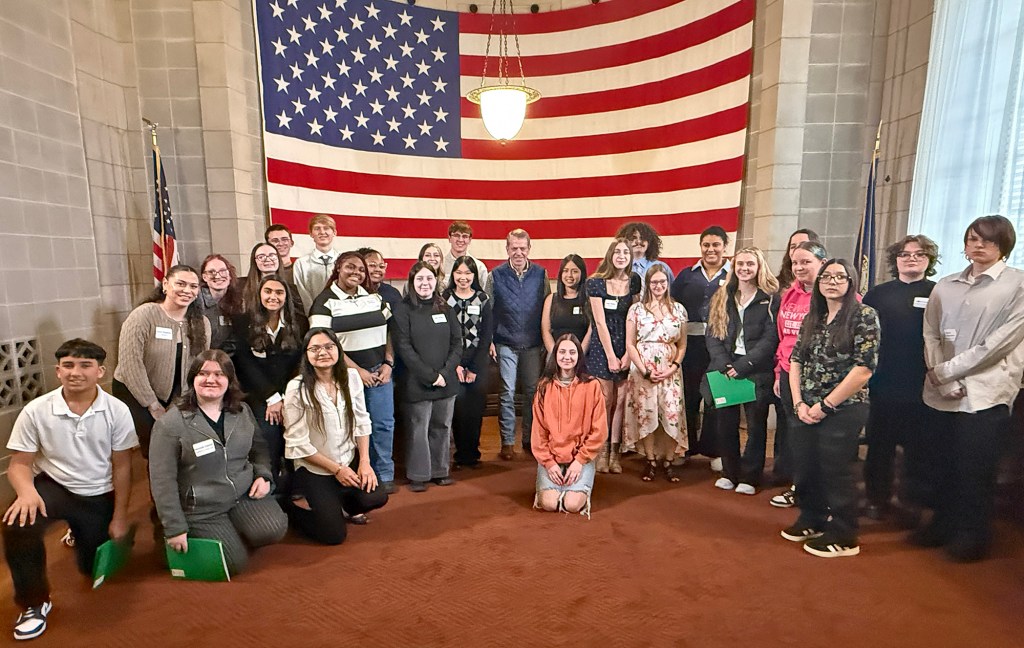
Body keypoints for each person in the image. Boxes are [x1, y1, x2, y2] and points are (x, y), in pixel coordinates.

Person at [2, 339, 137, 641]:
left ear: (100, 371)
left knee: (93, 570)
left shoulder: (117, 411)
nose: (76, 372)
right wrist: (26, 492)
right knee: (17, 524)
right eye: (68, 365)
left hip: (98, 491)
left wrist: (119, 518)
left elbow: (122, 467)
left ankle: (81, 531)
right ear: (58, 371)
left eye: (85, 365)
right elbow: (19, 464)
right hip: (55, 486)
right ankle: (34, 603)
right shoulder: (36, 410)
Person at [917, 215, 1024, 562]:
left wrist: (948, 372)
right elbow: (931, 333)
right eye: (972, 239)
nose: (978, 246)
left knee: (974, 469)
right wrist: (941, 375)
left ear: (1003, 245)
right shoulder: (945, 285)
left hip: (985, 392)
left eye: (988, 240)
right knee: (941, 463)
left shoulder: (1018, 285)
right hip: (941, 391)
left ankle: (973, 535)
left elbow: (998, 344)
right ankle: (941, 524)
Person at [149, 350, 288, 575]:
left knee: (273, 529)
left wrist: (263, 475)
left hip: (241, 495)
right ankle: (166, 534)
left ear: (229, 380)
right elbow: (162, 481)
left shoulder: (241, 411)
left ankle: (230, 530)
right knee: (233, 564)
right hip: (201, 508)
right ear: (192, 379)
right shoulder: (170, 424)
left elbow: (259, 449)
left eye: (219, 374)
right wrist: (175, 527)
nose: (211, 379)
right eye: (203, 373)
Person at [784, 259, 879, 558]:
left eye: (840, 277)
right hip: (806, 405)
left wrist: (825, 405)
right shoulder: (814, 316)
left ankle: (844, 534)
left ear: (851, 282)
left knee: (836, 470)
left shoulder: (864, 315)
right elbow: (795, 360)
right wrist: (798, 402)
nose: (832, 282)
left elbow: (864, 369)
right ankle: (812, 517)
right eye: (827, 277)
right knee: (806, 465)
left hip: (844, 407)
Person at [283, 328, 388, 544]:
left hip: (347, 459)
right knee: (333, 535)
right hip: (315, 467)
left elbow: (362, 421)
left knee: (376, 496)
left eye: (329, 347)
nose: (322, 352)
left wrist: (365, 462)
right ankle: (289, 511)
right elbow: (297, 444)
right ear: (306, 355)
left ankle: (342, 506)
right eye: (315, 348)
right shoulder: (297, 388)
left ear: (338, 350)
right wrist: (337, 470)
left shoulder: (351, 377)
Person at [861, 235, 939, 522]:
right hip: (882, 382)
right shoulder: (877, 295)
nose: (911, 258)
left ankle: (912, 501)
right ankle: (876, 498)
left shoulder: (939, 293)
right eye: (905, 254)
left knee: (920, 449)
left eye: (919, 254)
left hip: (923, 384)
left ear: (929, 260)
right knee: (879, 445)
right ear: (896, 260)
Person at [309, 251, 397, 493]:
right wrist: (357, 371)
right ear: (338, 268)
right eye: (350, 267)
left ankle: (383, 474)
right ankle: (350, 476)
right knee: (347, 428)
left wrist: (388, 363)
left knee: (383, 424)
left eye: (360, 269)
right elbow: (324, 343)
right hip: (343, 375)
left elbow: (390, 331)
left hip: (379, 373)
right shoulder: (324, 302)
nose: (356, 273)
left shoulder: (374, 298)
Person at [113, 264, 211, 456]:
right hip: (135, 391)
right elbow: (130, 364)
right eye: (180, 284)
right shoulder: (144, 315)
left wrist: (181, 401)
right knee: (156, 447)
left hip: (178, 394)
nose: (187, 290)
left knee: (181, 445)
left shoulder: (202, 322)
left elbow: (199, 366)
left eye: (193, 286)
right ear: (165, 284)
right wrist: (152, 404)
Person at [704, 247, 780, 495]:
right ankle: (729, 472)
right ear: (734, 267)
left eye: (750, 264)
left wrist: (744, 365)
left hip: (754, 369)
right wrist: (725, 364)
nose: (745, 268)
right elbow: (712, 334)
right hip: (725, 368)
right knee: (725, 425)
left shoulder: (771, 298)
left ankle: (750, 476)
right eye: (740, 264)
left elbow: (771, 338)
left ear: (759, 267)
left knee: (756, 427)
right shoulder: (722, 295)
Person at [230, 275, 308, 487]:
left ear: (286, 296)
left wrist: (286, 396)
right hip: (259, 393)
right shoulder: (243, 321)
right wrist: (272, 397)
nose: (273, 296)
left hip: (291, 391)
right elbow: (244, 362)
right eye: (268, 291)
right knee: (268, 435)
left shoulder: (299, 322)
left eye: (279, 292)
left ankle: (295, 486)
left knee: (294, 435)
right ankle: (271, 486)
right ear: (259, 294)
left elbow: (300, 361)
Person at [769, 239, 828, 508]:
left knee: (818, 436)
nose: (799, 267)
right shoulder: (789, 295)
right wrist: (777, 372)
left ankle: (820, 493)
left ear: (822, 263)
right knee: (796, 433)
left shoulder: (835, 296)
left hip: (818, 377)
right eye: (795, 262)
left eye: (806, 262)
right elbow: (783, 337)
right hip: (787, 372)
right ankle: (799, 486)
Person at [394, 263, 462, 491]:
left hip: (446, 380)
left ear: (436, 281)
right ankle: (419, 475)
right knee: (418, 429)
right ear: (412, 282)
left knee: (442, 426)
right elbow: (404, 347)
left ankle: (440, 471)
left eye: (429, 278)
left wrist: (444, 373)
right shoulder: (403, 310)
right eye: (420, 279)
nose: (425, 283)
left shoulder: (445, 308)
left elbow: (457, 343)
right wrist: (430, 376)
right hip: (417, 381)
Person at [485, 229, 550, 460]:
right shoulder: (495, 276)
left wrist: (546, 341)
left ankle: (529, 439)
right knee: (507, 392)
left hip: (533, 343)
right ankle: (507, 442)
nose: (518, 252)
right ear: (507, 249)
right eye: (514, 248)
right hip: (505, 342)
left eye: (523, 248)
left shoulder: (541, 275)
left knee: (532, 392)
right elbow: (488, 311)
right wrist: (490, 340)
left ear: (529, 249)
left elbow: (547, 309)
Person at [670, 225, 731, 466]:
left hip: (721, 346)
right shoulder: (687, 275)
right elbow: (672, 304)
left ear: (725, 247)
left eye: (716, 245)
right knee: (688, 396)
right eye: (706, 245)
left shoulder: (734, 274)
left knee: (716, 397)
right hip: (691, 345)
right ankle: (685, 447)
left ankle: (714, 451)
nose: (710, 249)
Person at [531, 334, 608, 517]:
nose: (567, 357)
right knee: (549, 504)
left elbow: (599, 430)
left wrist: (579, 461)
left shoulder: (592, 386)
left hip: (580, 458)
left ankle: (576, 487)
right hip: (552, 457)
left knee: (572, 505)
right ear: (555, 355)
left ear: (579, 356)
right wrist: (549, 463)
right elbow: (538, 431)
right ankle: (554, 488)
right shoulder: (544, 387)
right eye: (562, 352)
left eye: (572, 352)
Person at [624, 265, 687, 482]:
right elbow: (630, 344)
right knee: (647, 414)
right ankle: (650, 460)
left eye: (662, 282)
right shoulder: (636, 310)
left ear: (668, 283)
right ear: (647, 284)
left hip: (670, 371)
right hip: (643, 371)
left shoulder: (678, 309)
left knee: (672, 414)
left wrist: (673, 366)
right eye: (654, 282)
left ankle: (668, 460)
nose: (658, 286)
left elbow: (682, 344)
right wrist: (644, 370)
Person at [586, 238, 641, 473]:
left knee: (620, 401)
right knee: (605, 400)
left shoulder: (634, 281)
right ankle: (601, 450)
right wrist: (610, 355)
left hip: (626, 343)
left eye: (625, 252)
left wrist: (629, 353)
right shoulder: (596, 283)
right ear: (610, 255)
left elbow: (636, 317)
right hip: (603, 345)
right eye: (617, 252)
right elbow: (599, 322)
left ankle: (614, 454)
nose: (621, 256)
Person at [444, 256, 494, 469]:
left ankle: (472, 454)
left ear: (474, 276)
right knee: (458, 406)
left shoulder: (482, 299)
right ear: (453, 274)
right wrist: (454, 364)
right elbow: (443, 333)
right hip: (452, 359)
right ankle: (460, 454)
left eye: (467, 273)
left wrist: (473, 368)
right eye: (459, 273)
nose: (463, 277)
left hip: (477, 359)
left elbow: (486, 335)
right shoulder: (445, 298)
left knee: (474, 408)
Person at [541, 254, 592, 354]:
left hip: (583, 355)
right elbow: (546, 331)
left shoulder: (589, 300)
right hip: (555, 356)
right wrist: (556, 355)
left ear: (582, 274)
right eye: (565, 271)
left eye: (574, 271)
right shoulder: (550, 299)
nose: (569, 275)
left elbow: (590, 331)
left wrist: (578, 355)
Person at [293, 214, 340, 313]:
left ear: (334, 232)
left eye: (326, 228)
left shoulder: (344, 261)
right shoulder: (301, 263)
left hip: (341, 314)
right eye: (317, 228)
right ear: (311, 234)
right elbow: (302, 293)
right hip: (314, 315)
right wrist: (314, 313)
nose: (322, 232)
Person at [197, 254, 242, 350]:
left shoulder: (240, 300)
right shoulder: (195, 300)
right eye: (211, 272)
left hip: (231, 355)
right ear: (204, 277)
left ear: (230, 275)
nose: (217, 276)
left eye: (222, 271)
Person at [615, 221, 673, 290]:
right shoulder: (617, 267)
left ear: (650, 242)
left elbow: (672, 292)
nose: (638, 242)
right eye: (633, 238)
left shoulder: (662, 267)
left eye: (643, 238)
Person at [442, 220, 489, 289]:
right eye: (456, 235)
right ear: (449, 238)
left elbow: (485, 292)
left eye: (465, 236)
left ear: (469, 240)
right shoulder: (441, 265)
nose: (460, 240)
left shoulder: (479, 267)